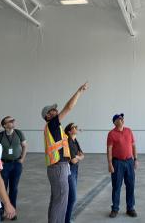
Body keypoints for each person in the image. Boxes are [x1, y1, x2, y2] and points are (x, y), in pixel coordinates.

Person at [42, 82, 88, 223]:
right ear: (47, 116)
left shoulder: (56, 128)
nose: (56, 111)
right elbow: (68, 107)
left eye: (55, 110)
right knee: (61, 201)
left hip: (59, 166)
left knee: (57, 200)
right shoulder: (52, 124)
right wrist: (79, 91)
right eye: (53, 110)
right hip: (58, 167)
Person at [107, 113, 138, 218]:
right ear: (115, 122)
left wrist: (136, 159)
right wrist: (110, 164)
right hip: (117, 163)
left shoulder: (129, 131)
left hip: (129, 162)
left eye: (122, 118)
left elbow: (133, 146)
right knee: (116, 186)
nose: (122, 120)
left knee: (130, 185)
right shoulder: (111, 134)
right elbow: (109, 150)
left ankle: (130, 208)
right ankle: (115, 209)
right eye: (119, 119)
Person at [0, 116, 27, 221]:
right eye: (10, 121)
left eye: (13, 120)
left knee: (14, 189)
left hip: (16, 164)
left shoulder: (19, 133)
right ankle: (2, 211)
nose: (13, 122)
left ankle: (12, 212)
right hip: (4, 165)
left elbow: (24, 146)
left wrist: (22, 159)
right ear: (4, 125)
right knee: (2, 189)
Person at [64, 122, 84, 223]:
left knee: (70, 197)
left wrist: (77, 157)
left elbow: (82, 155)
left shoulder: (75, 140)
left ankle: (66, 218)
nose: (76, 128)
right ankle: (66, 220)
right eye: (74, 127)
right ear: (69, 131)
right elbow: (72, 160)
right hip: (70, 171)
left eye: (76, 126)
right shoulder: (67, 141)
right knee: (72, 197)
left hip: (75, 170)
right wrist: (77, 157)